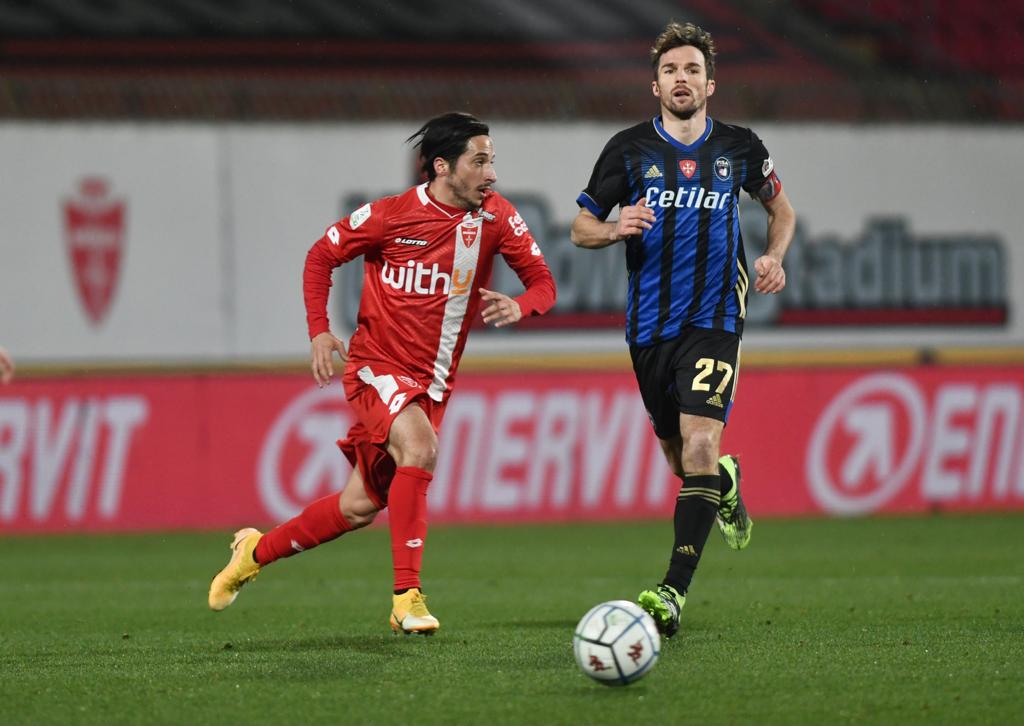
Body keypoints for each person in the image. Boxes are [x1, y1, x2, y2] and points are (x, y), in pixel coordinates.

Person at [208, 112, 556, 634]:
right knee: (420, 448)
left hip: (433, 383)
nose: (491, 174)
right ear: (442, 166)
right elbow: (320, 256)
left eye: (492, 161)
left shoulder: (497, 216)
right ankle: (406, 598)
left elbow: (544, 283)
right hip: (377, 367)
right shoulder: (391, 215)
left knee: (358, 507)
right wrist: (320, 331)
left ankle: (254, 552)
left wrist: (521, 305)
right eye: (479, 161)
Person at [571, 21, 796, 637]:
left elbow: (780, 208)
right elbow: (580, 228)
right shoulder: (627, 150)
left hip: (716, 316)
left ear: (710, 84)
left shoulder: (740, 147)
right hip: (650, 327)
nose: (681, 79)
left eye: (692, 69)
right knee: (682, 460)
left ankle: (671, 593)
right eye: (670, 70)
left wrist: (774, 255)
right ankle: (725, 482)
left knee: (699, 445)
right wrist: (615, 228)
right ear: (655, 86)